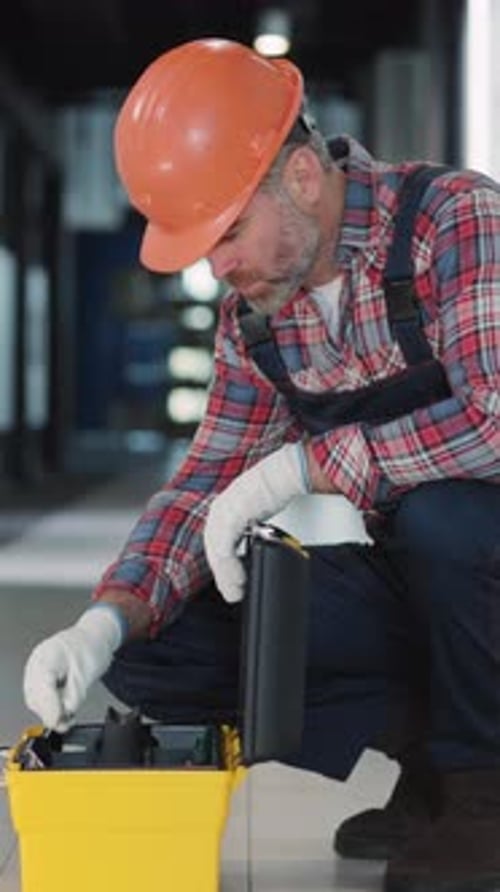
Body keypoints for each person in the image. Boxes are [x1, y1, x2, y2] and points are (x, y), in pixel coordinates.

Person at [22, 37, 500, 892]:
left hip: (482, 561)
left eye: (230, 232)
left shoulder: (453, 221)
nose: (220, 268)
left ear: (304, 179)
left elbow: (493, 421)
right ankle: (439, 766)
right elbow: (203, 483)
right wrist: (105, 618)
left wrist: (303, 470)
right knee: (155, 650)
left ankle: (486, 793)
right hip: (424, 585)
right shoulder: (257, 319)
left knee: (446, 519)